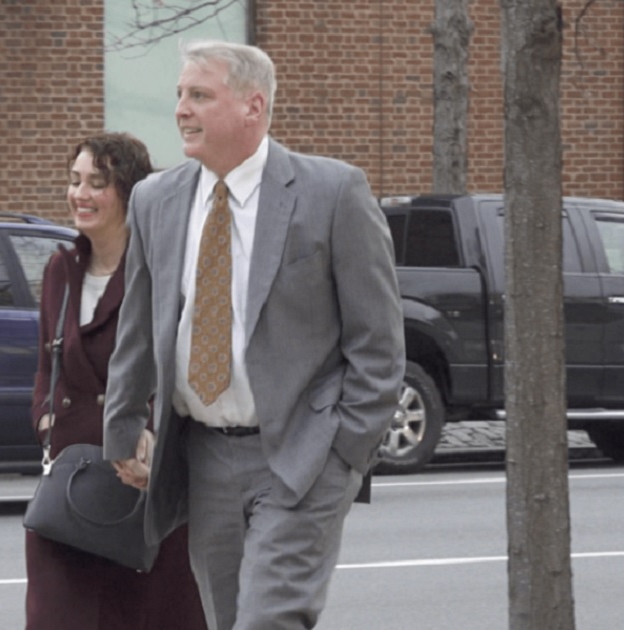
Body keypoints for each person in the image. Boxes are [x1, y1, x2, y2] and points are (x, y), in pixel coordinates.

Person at [103, 41, 405, 629]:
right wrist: (122, 428)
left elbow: (379, 343)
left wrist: (343, 452)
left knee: (268, 620)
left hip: (301, 452)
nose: (181, 110)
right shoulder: (154, 200)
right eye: (179, 96)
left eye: (199, 95)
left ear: (253, 107)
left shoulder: (333, 193)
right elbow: (138, 327)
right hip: (204, 457)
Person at [25, 132, 206, 630]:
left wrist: (147, 437)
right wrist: (45, 419)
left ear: (130, 193)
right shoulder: (61, 270)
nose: (80, 194)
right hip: (68, 488)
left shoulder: (166, 272)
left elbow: (182, 367)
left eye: (97, 183)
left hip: (140, 485)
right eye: (75, 180)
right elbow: (46, 364)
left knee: (151, 616)